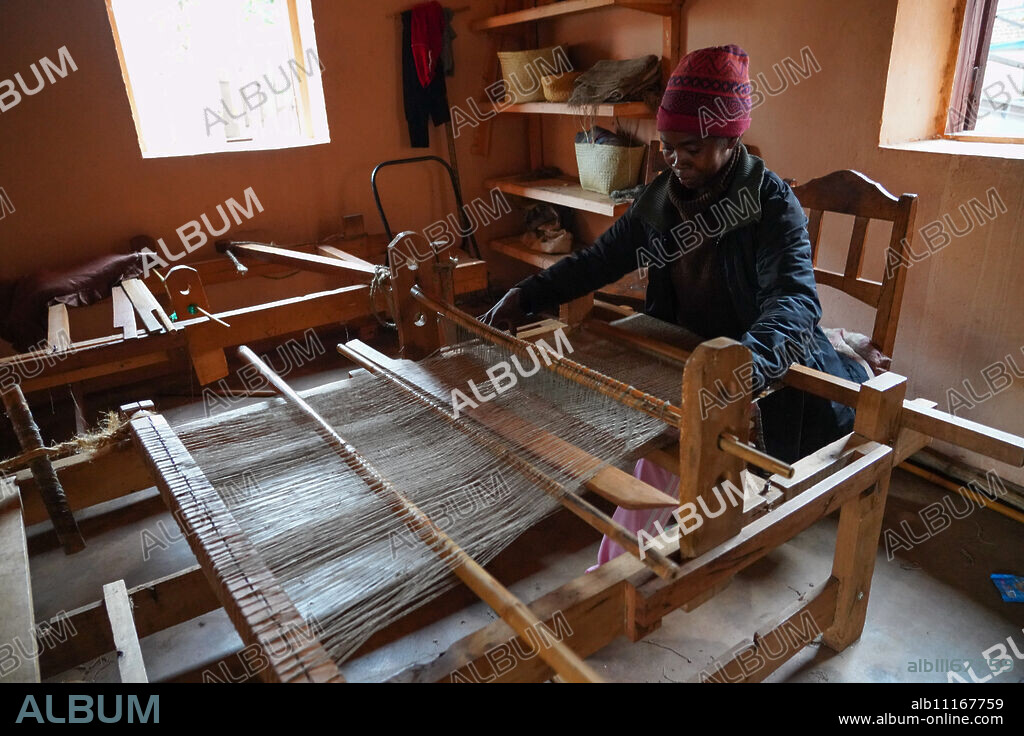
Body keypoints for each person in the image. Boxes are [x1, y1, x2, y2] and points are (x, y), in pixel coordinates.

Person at [480, 45, 875, 566]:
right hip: (690, 349)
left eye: (690, 148)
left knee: (675, 440)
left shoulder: (773, 206)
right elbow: (600, 259)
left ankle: (612, 573)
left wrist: (742, 368)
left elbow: (794, 301)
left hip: (754, 363)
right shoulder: (663, 196)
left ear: (730, 138)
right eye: (667, 147)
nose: (676, 160)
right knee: (653, 428)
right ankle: (625, 555)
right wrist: (527, 294)